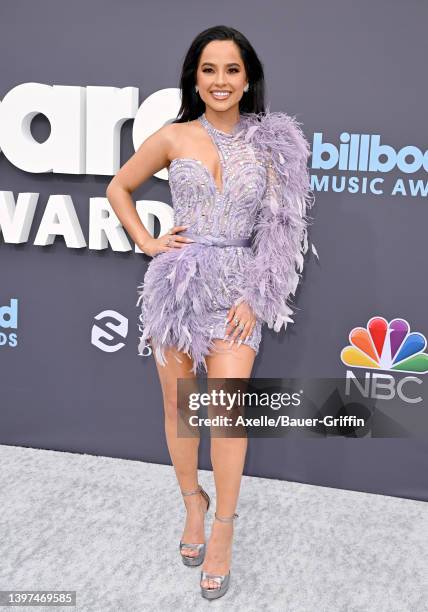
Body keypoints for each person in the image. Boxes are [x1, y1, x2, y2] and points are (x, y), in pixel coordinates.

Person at [106, 24, 314, 600]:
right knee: (181, 411)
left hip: (241, 293)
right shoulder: (172, 137)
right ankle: (192, 505)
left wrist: (258, 295)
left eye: (231, 70)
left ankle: (223, 528)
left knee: (226, 413)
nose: (220, 81)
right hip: (178, 287)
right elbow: (119, 187)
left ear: (248, 79)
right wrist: (149, 244)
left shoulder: (272, 143)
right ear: (194, 79)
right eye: (208, 70)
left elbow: (282, 228)